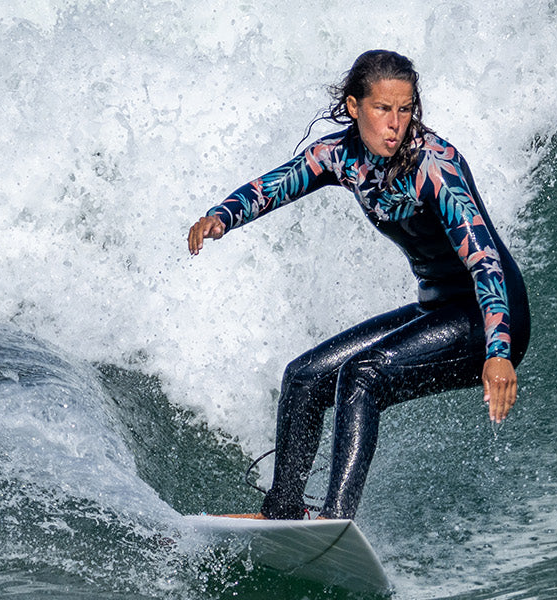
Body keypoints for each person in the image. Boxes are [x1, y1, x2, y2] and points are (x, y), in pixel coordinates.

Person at [186, 50, 530, 520]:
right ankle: (282, 512)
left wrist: (498, 351)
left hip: (490, 318)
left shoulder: (435, 166)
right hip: (437, 310)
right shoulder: (340, 157)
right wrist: (222, 216)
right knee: (304, 378)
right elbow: (277, 184)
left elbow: (486, 263)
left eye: (405, 109)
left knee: (363, 375)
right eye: (382, 109)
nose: (395, 124)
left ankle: (334, 520)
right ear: (354, 106)